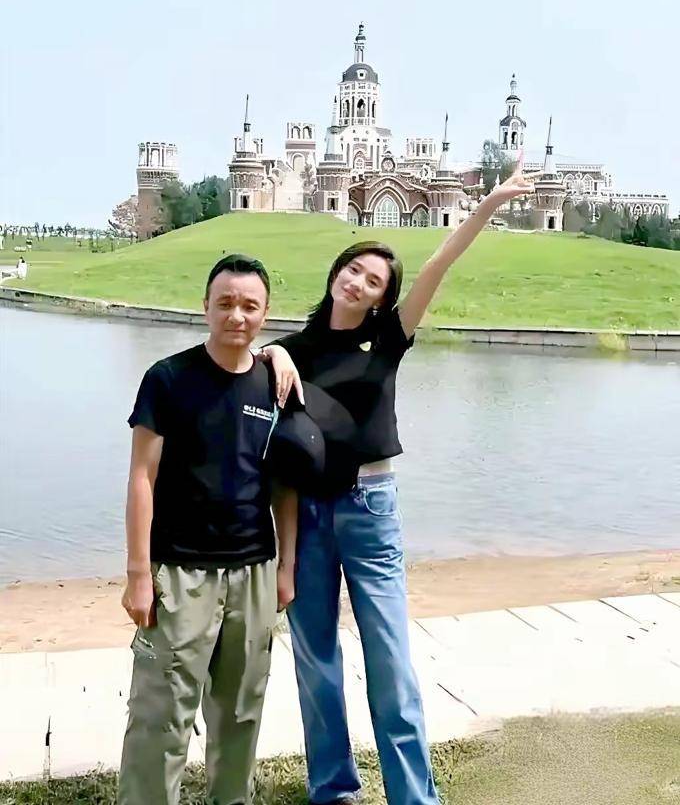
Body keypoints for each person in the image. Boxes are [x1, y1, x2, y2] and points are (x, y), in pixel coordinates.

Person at [263, 159, 541, 804]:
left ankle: (413, 796)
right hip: (309, 513)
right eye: (353, 269)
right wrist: (272, 350)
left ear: (382, 298)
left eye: (374, 281)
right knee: (315, 659)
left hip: (369, 508)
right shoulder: (292, 351)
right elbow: (250, 378)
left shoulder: (388, 337)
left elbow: (440, 261)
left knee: (389, 661)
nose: (358, 282)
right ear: (336, 272)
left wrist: (491, 202)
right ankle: (333, 789)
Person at [118, 254, 299, 805]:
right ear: (205, 307)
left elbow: (284, 486)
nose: (236, 316)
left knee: (242, 709)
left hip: (254, 569)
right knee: (162, 714)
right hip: (179, 570)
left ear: (265, 314)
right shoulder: (168, 378)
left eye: (249, 306)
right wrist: (138, 574)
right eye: (225, 304)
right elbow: (142, 477)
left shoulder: (275, 384)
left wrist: (287, 567)